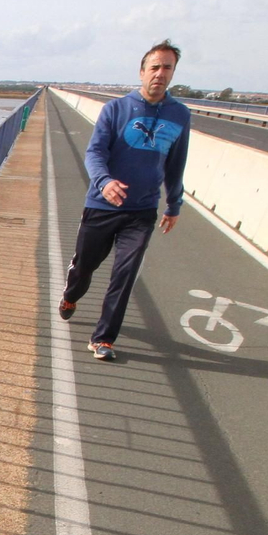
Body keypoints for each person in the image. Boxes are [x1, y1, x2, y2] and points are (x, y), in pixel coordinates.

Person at [59, 39, 191, 361]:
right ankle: (71, 294)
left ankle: (103, 339)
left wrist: (174, 205)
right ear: (142, 71)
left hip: (141, 211)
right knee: (84, 267)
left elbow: (176, 164)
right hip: (102, 206)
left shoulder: (180, 115)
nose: (160, 73)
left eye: (167, 68)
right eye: (155, 67)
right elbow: (95, 152)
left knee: (125, 274)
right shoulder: (116, 110)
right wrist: (104, 182)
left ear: (173, 73)